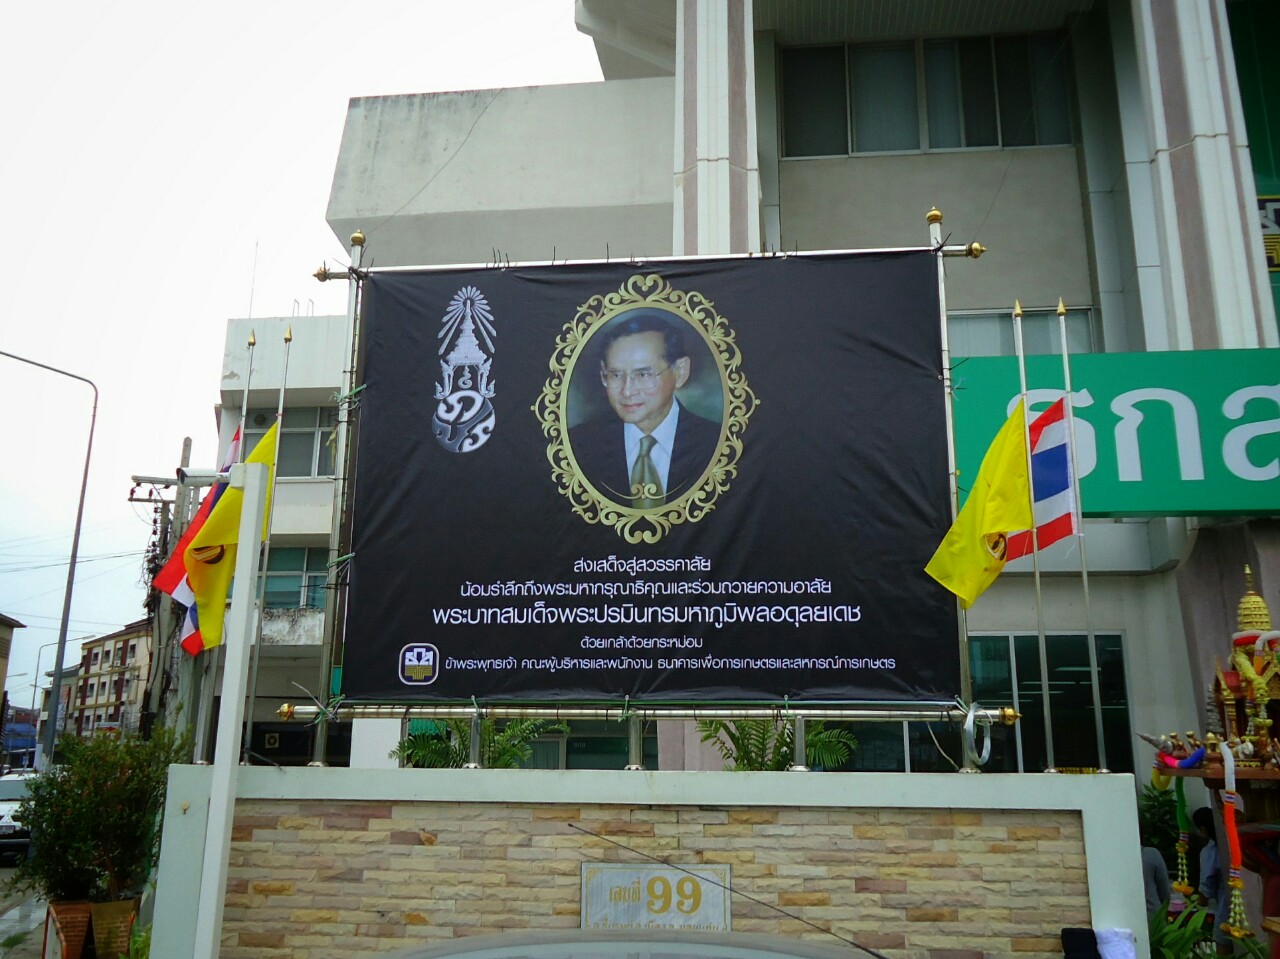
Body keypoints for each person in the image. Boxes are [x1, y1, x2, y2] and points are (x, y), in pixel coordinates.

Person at [570, 311, 721, 508]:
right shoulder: (577, 446)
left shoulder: (718, 444)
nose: (627, 391)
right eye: (616, 375)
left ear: (680, 371)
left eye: (643, 375)